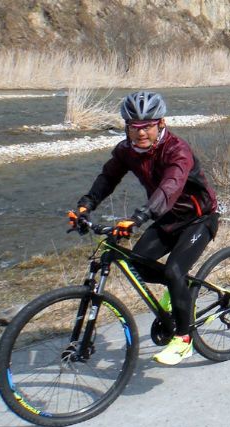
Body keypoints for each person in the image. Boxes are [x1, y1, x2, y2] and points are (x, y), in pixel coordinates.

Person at [71, 91, 219, 365]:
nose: (140, 133)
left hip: (199, 218)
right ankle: (180, 290)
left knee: (174, 270)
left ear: (161, 123)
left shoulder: (177, 150)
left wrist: (140, 217)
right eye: (134, 127)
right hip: (167, 218)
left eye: (147, 126)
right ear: (126, 126)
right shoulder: (126, 151)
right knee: (137, 265)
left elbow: (170, 187)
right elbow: (108, 177)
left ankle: (184, 340)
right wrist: (86, 205)